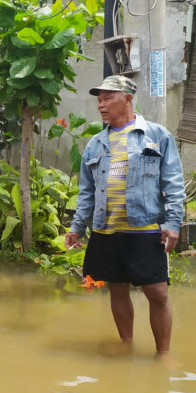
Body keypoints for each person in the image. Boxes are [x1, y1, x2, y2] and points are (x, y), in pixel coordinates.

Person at [64, 75, 185, 355]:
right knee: (116, 289)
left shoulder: (156, 136)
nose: (101, 106)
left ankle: (163, 355)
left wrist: (173, 223)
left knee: (157, 293)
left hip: (145, 230)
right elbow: (87, 192)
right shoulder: (95, 144)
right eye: (99, 100)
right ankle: (126, 345)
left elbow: (174, 184)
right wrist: (77, 227)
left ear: (127, 99)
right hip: (107, 230)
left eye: (108, 99)